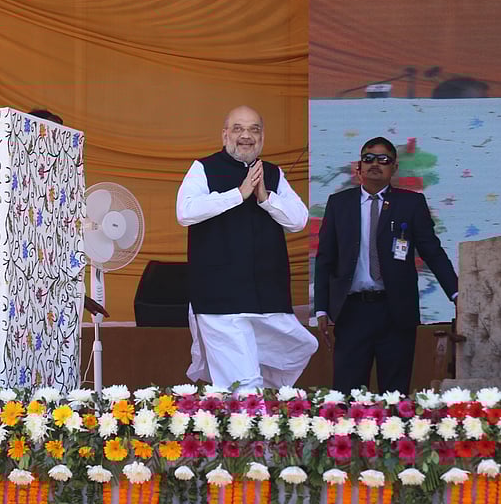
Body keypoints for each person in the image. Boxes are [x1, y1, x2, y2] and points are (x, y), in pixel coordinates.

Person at [176, 105, 317, 390]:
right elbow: (185, 212)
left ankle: (251, 408)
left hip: (267, 295)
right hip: (221, 298)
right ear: (225, 134)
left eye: (254, 129)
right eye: (238, 129)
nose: (246, 136)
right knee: (244, 383)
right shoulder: (203, 168)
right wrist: (238, 195)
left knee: (302, 346)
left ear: (262, 137)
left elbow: (299, 220)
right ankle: (249, 418)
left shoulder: (273, 174)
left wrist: (265, 198)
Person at [313, 137, 458, 394]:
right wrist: (322, 308)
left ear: (395, 167)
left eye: (383, 160)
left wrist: (457, 294)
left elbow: (432, 252)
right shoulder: (339, 204)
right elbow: (325, 258)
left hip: (396, 312)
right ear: (358, 166)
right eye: (368, 158)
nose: (374, 164)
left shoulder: (410, 204)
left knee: (394, 394)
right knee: (347, 395)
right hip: (352, 312)